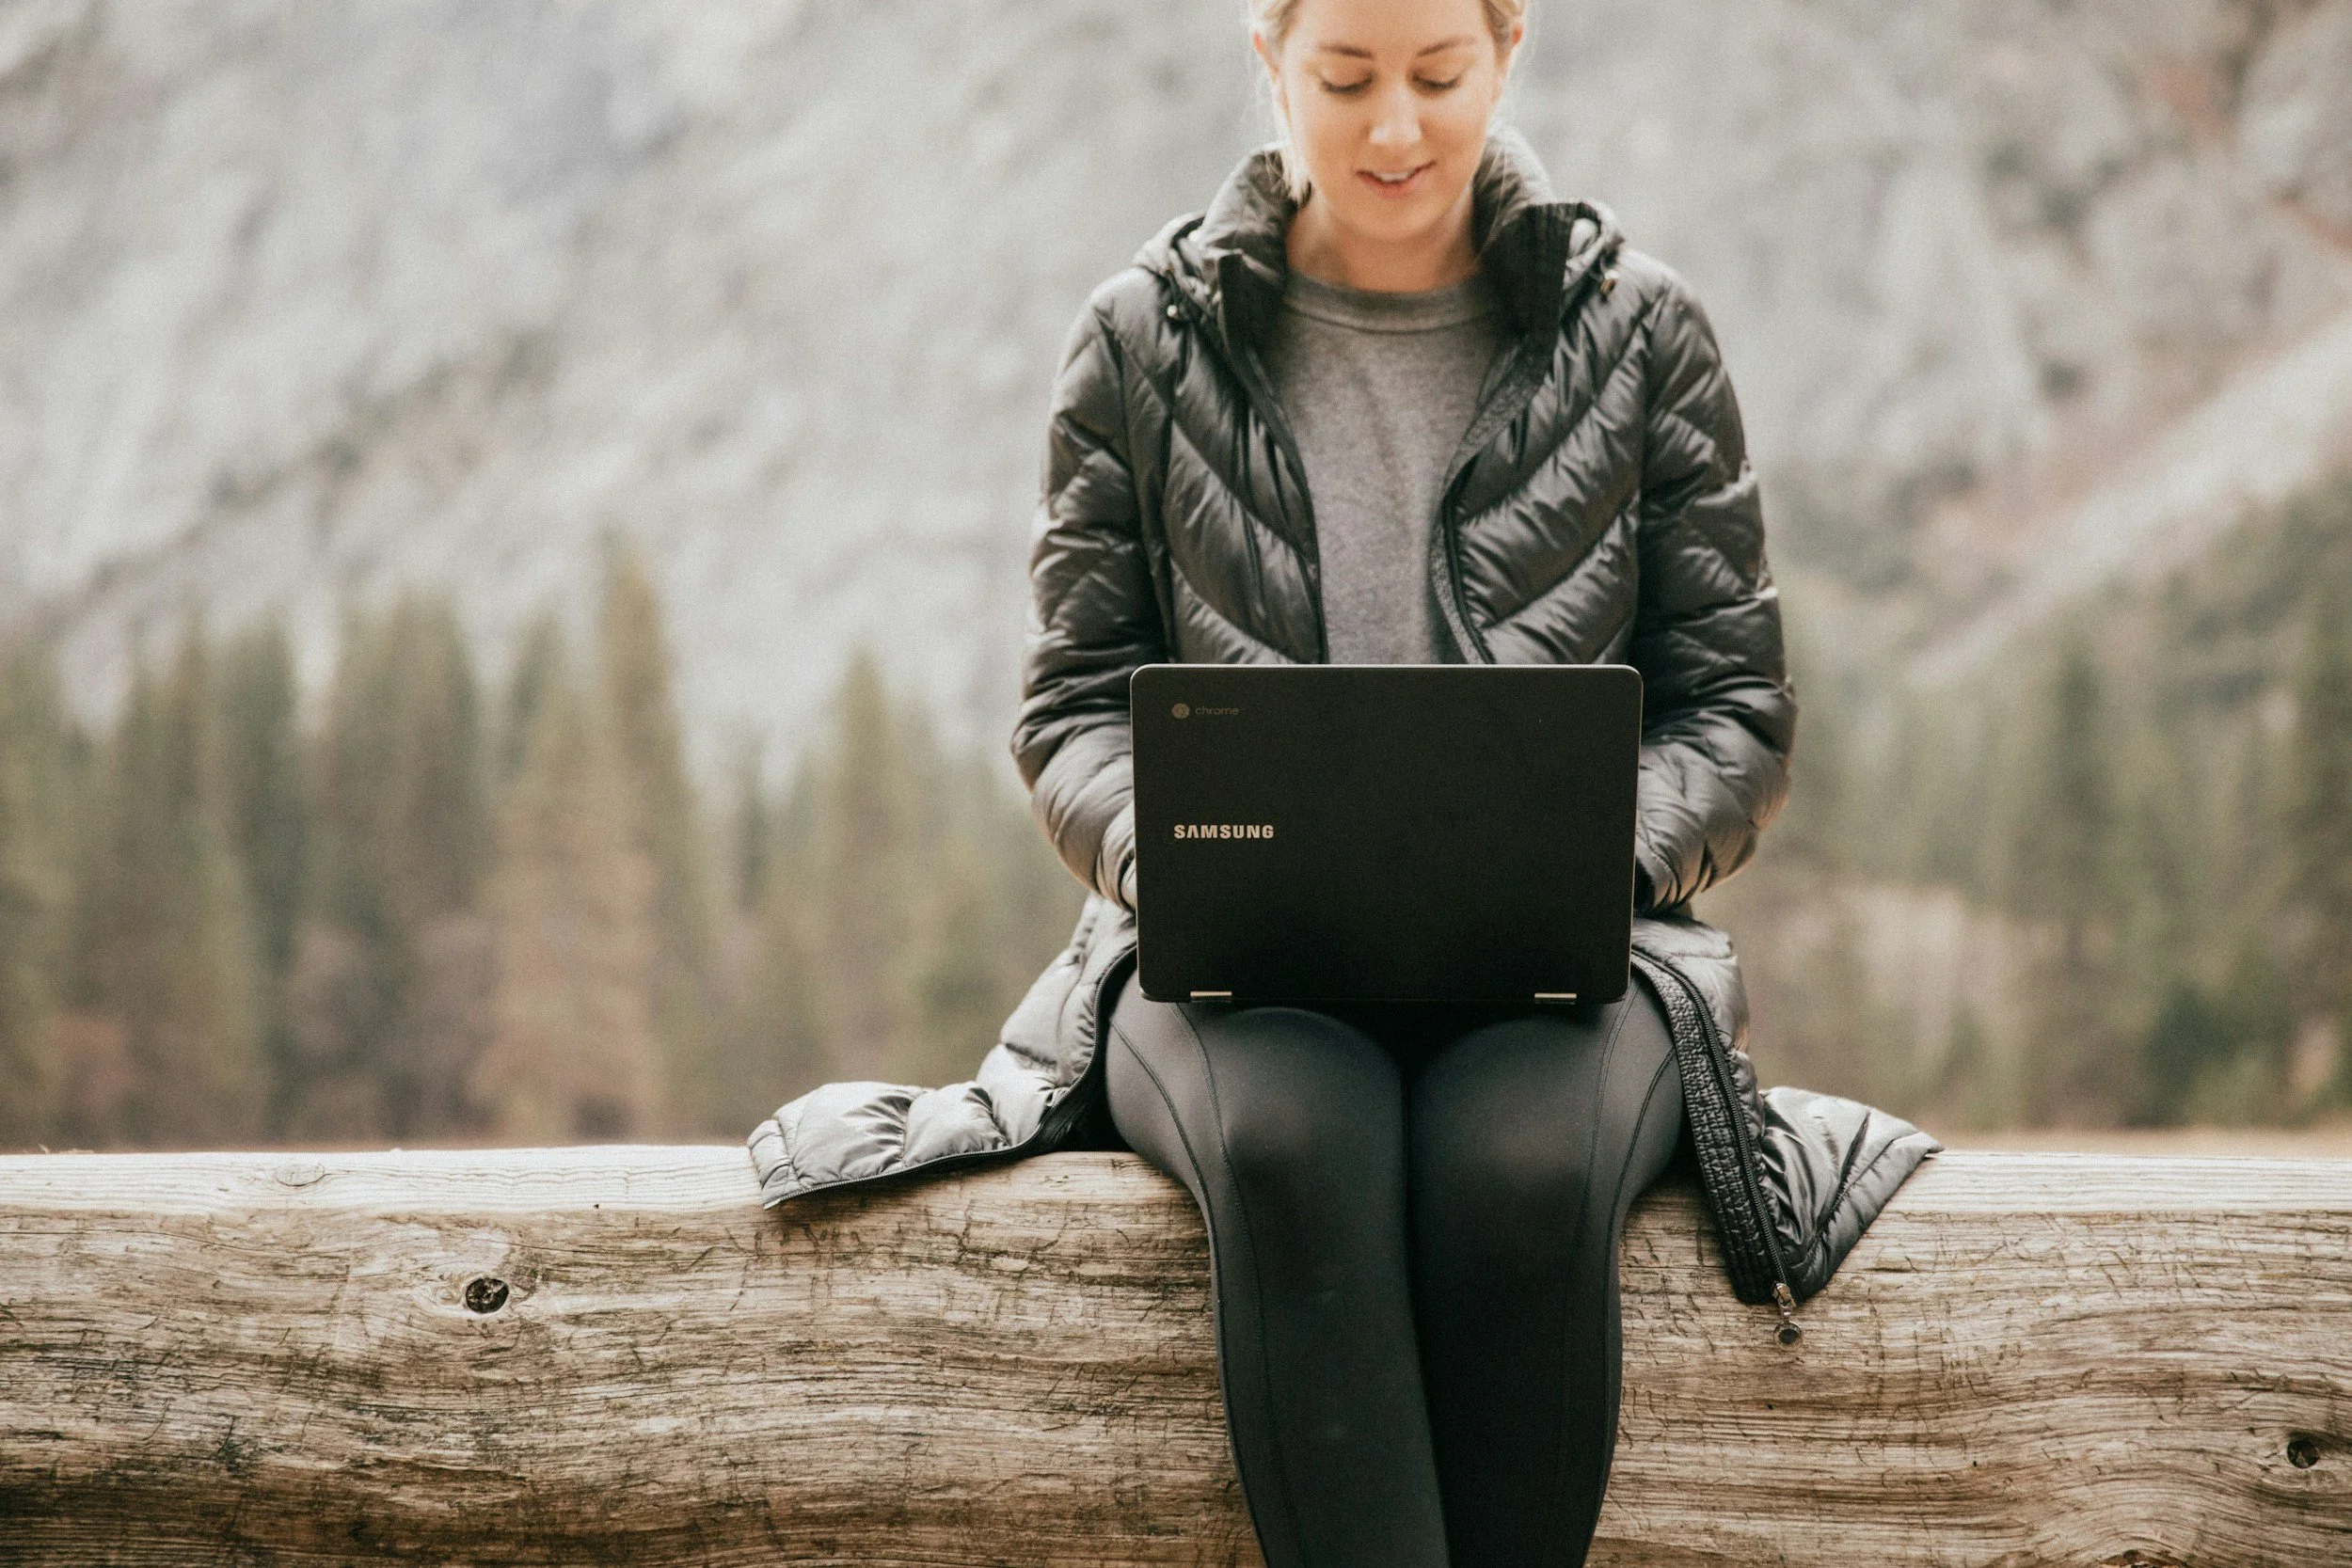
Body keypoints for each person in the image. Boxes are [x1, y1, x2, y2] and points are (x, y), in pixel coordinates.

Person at [749, 0, 1940, 1562]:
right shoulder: (1140, 338)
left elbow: (1732, 710)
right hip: (1235, 980)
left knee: (1519, 1167)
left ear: (1510, 56)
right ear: (1266, 64)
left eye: (1440, 76)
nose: (1395, 128)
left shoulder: (1643, 331)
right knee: (1288, 1144)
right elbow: (1070, 711)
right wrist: (1187, 865)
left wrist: (1582, 859)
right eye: (1346, 77)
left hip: (1572, 967)